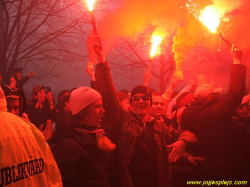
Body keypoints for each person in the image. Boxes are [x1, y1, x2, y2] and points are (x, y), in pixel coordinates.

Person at [93, 36, 197, 187]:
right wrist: (102, 60)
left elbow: (185, 136)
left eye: (144, 98)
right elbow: (108, 95)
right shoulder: (123, 121)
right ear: (131, 103)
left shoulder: (159, 127)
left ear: (150, 103)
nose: (140, 101)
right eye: (136, 99)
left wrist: (183, 143)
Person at [180, 44, 246, 180]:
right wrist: (237, 61)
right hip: (219, 173)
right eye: (214, 94)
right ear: (208, 97)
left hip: (201, 171)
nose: (217, 96)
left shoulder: (190, 114)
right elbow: (235, 94)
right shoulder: (211, 115)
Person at [52, 86, 115, 187]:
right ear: (83, 111)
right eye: (97, 106)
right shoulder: (69, 146)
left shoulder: (96, 136)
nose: (103, 111)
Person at [0, 86, 62, 186]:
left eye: (16, 108)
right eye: (8, 108)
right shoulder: (29, 109)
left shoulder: (29, 129)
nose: (12, 113)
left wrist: (38, 142)